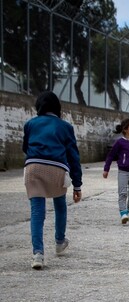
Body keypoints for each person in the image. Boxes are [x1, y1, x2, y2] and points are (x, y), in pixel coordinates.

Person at [22, 91, 83, 269]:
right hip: (57, 167)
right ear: (57, 107)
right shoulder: (65, 127)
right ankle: (59, 241)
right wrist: (77, 185)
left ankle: (38, 254)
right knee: (60, 203)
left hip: (33, 167)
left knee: (37, 211)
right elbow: (73, 157)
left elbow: (25, 147)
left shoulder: (30, 124)